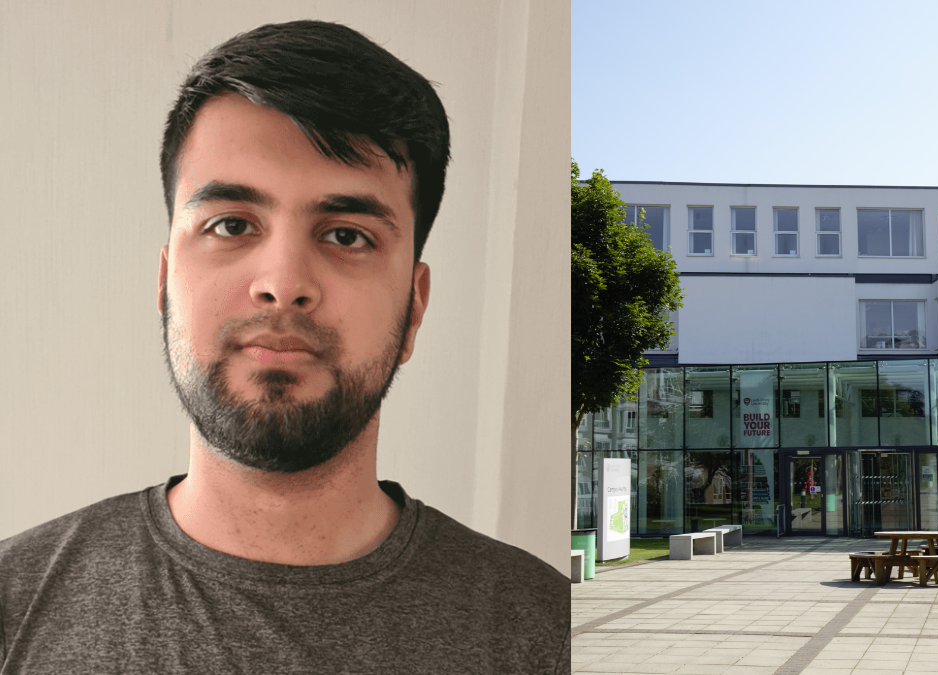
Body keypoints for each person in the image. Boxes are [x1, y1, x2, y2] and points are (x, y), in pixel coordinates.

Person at [0, 21, 568, 673]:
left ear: (414, 306)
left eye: (347, 235)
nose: (283, 284)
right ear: (165, 284)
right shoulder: (13, 609)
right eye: (231, 224)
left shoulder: (543, 634)